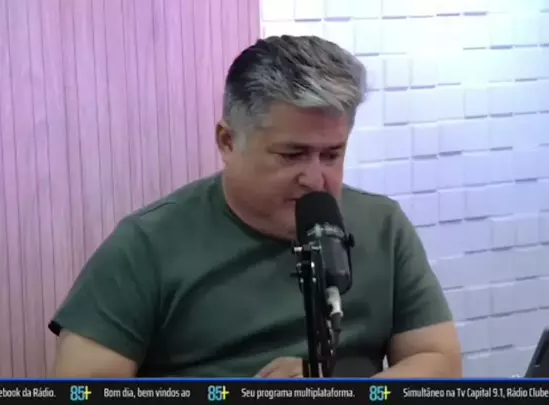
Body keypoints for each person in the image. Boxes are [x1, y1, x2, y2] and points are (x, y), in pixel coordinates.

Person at [49, 35, 462, 378]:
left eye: (331, 155)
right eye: (292, 155)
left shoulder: (383, 225)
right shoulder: (146, 245)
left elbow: (439, 360)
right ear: (228, 141)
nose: (315, 179)